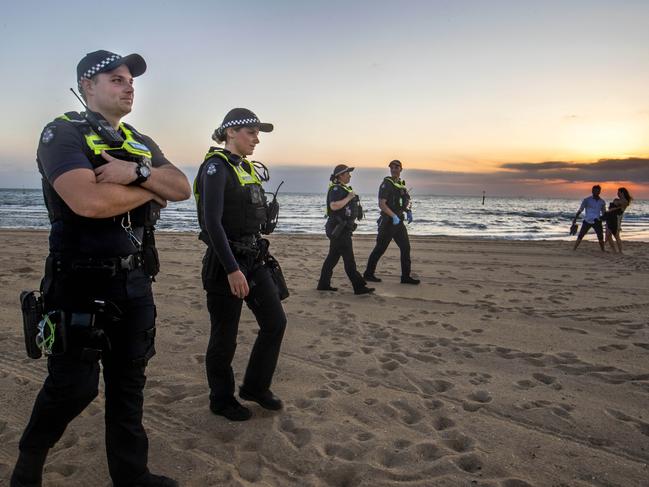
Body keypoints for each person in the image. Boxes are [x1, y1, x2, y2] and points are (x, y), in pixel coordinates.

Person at [11, 51, 190, 487]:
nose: (129, 86)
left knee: (129, 384)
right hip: (77, 282)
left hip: (134, 280)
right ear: (87, 86)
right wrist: (151, 191)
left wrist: (135, 171)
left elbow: (183, 187)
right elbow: (87, 202)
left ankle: (132, 475)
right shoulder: (62, 133)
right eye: (115, 79)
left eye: (130, 80)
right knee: (74, 387)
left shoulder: (140, 142)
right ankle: (29, 462)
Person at [194, 108, 287, 422]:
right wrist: (232, 268)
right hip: (225, 264)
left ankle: (255, 388)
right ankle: (221, 400)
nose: (256, 139)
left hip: (254, 259)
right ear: (230, 132)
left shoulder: (245, 168)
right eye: (251, 132)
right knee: (225, 335)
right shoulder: (215, 168)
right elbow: (211, 224)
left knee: (275, 322)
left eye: (258, 133)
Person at [317, 165, 374, 295]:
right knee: (349, 260)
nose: (350, 175)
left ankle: (323, 284)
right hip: (340, 230)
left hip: (340, 229)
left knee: (332, 258)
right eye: (347, 173)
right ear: (340, 175)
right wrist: (349, 197)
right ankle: (359, 287)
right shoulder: (336, 189)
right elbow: (334, 205)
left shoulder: (342, 188)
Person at [363, 159, 420, 284]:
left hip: (399, 222)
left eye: (396, 167)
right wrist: (393, 216)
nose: (394, 169)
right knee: (380, 249)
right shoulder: (386, 184)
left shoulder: (401, 184)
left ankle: (405, 277)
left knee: (406, 248)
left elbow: (404, 202)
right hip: (388, 222)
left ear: (401, 169)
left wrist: (408, 211)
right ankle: (368, 274)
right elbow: (382, 204)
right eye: (392, 167)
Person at [572, 184, 606, 252]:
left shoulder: (602, 202)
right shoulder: (587, 200)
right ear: (592, 191)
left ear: (599, 192)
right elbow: (580, 210)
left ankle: (603, 250)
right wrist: (575, 218)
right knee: (581, 235)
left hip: (597, 220)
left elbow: (603, 212)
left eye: (597, 191)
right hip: (587, 220)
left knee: (600, 237)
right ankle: (574, 249)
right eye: (594, 190)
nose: (596, 192)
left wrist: (605, 219)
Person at [603, 187, 633, 253]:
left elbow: (617, 205)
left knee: (616, 236)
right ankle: (614, 250)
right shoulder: (617, 200)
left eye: (618, 192)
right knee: (608, 235)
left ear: (622, 193)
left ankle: (620, 251)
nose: (617, 194)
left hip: (616, 219)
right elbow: (615, 204)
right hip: (610, 218)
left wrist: (614, 206)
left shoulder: (625, 201)